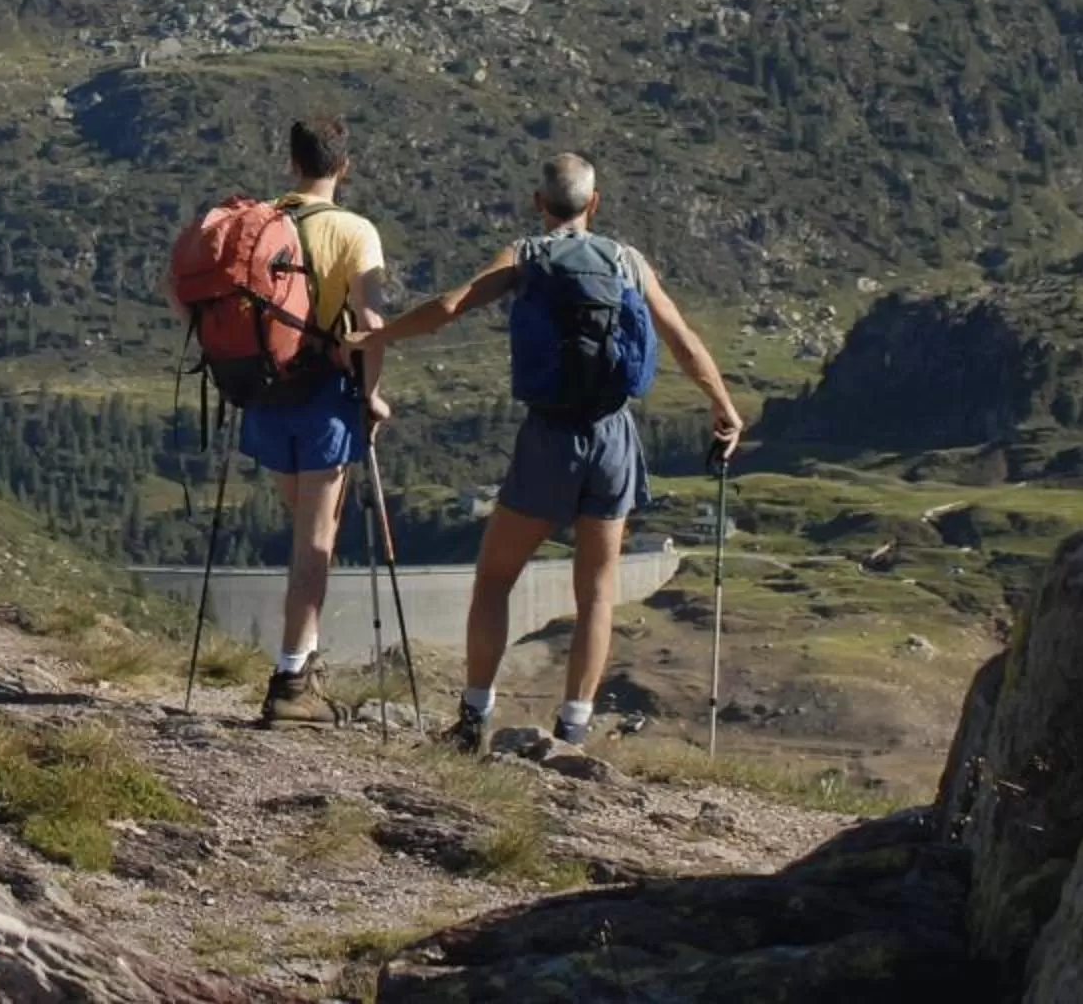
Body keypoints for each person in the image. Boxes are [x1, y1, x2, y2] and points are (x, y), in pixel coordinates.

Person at [364, 152, 743, 753]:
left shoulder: (525, 255)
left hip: (549, 437)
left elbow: (446, 308)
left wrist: (374, 335)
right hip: (614, 437)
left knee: (494, 580)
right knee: (595, 591)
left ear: (539, 203)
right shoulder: (629, 261)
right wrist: (723, 405)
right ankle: (573, 728)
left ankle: (473, 719)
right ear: (595, 203)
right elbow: (683, 339)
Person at [237, 113, 392, 727]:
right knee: (316, 538)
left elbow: (183, 292)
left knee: (304, 522)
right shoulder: (355, 232)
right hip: (327, 395)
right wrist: (372, 394)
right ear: (344, 166)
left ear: (292, 162)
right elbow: (371, 327)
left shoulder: (257, 224)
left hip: (264, 391)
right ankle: (292, 681)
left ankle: (302, 660)